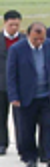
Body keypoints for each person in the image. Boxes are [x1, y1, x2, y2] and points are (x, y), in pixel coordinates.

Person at [8, 22, 50, 167]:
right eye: (35, 39)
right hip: (26, 96)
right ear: (28, 35)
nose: (39, 42)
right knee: (26, 129)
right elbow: (11, 74)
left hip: (46, 95)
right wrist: (14, 96)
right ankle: (30, 158)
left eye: (42, 39)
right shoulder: (17, 49)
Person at [0, 10, 21, 156]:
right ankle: (2, 143)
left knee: (21, 118)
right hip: (1, 84)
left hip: (20, 85)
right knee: (1, 116)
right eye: (11, 24)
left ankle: (22, 145)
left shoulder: (25, 40)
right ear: (4, 23)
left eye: (17, 25)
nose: (14, 27)